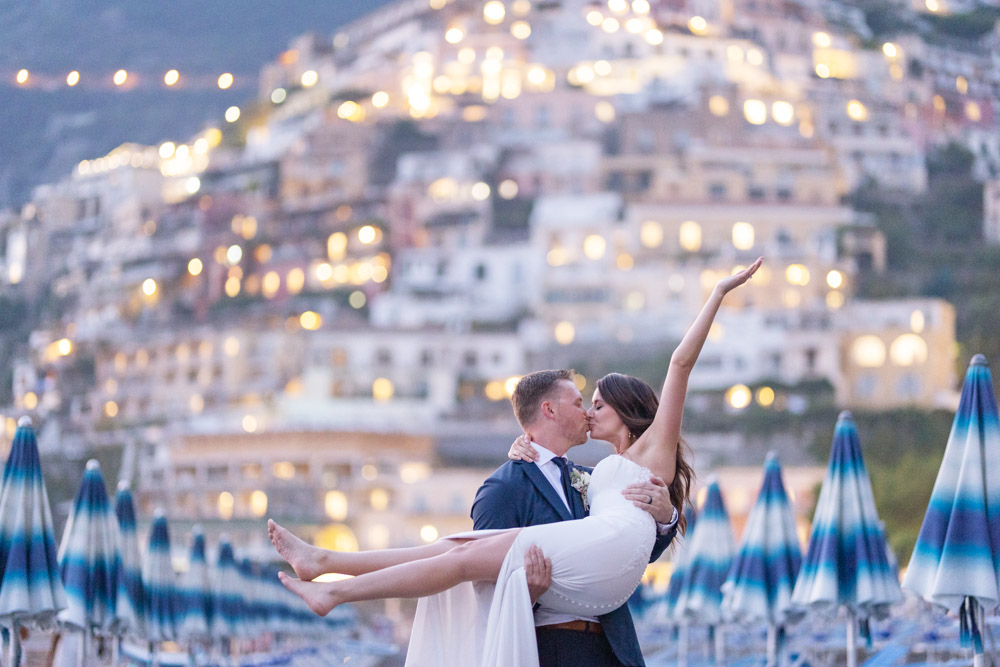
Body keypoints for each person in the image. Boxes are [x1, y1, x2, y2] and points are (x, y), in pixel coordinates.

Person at [269, 258, 761, 667]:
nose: (588, 413)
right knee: (458, 547)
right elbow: (492, 593)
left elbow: (680, 364)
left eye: (597, 404)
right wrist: (525, 590)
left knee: (459, 557)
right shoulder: (556, 477)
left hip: (608, 624)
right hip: (555, 639)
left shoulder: (651, 454)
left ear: (626, 411)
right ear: (546, 413)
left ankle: (332, 587)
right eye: (581, 403)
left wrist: (717, 293)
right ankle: (327, 568)